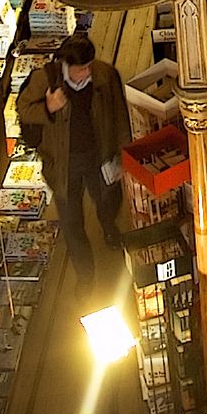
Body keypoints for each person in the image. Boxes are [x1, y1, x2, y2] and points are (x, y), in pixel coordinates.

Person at [17, 30, 132, 289]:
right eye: (81, 69)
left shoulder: (105, 75)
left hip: (98, 154)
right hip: (63, 163)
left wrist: (123, 152)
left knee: (107, 196)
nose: (87, 73)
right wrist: (48, 107)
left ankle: (109, 227)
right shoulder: (43, 80)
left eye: (89, 66)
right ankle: (85, 275)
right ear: (67, 65)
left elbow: (118, 114)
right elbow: (23, 109)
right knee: (71, 220)